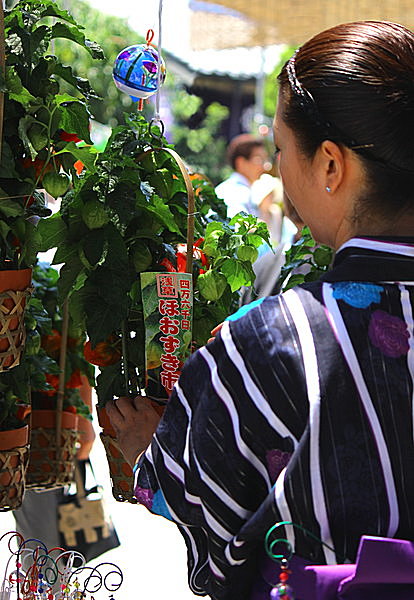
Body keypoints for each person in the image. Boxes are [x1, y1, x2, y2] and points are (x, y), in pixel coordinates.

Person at [106, 20, 414, 600]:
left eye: (280, 147)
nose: (277, 166)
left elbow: (204, 508)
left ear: (330, 165)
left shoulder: (276, 342)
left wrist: (149, 452)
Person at [215, 134, 270, 218]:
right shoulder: (234, 192)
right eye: (260, 159)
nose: (266, 166)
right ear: (241, 163)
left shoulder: (239, 189)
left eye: (265, 159)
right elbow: (241, 227)